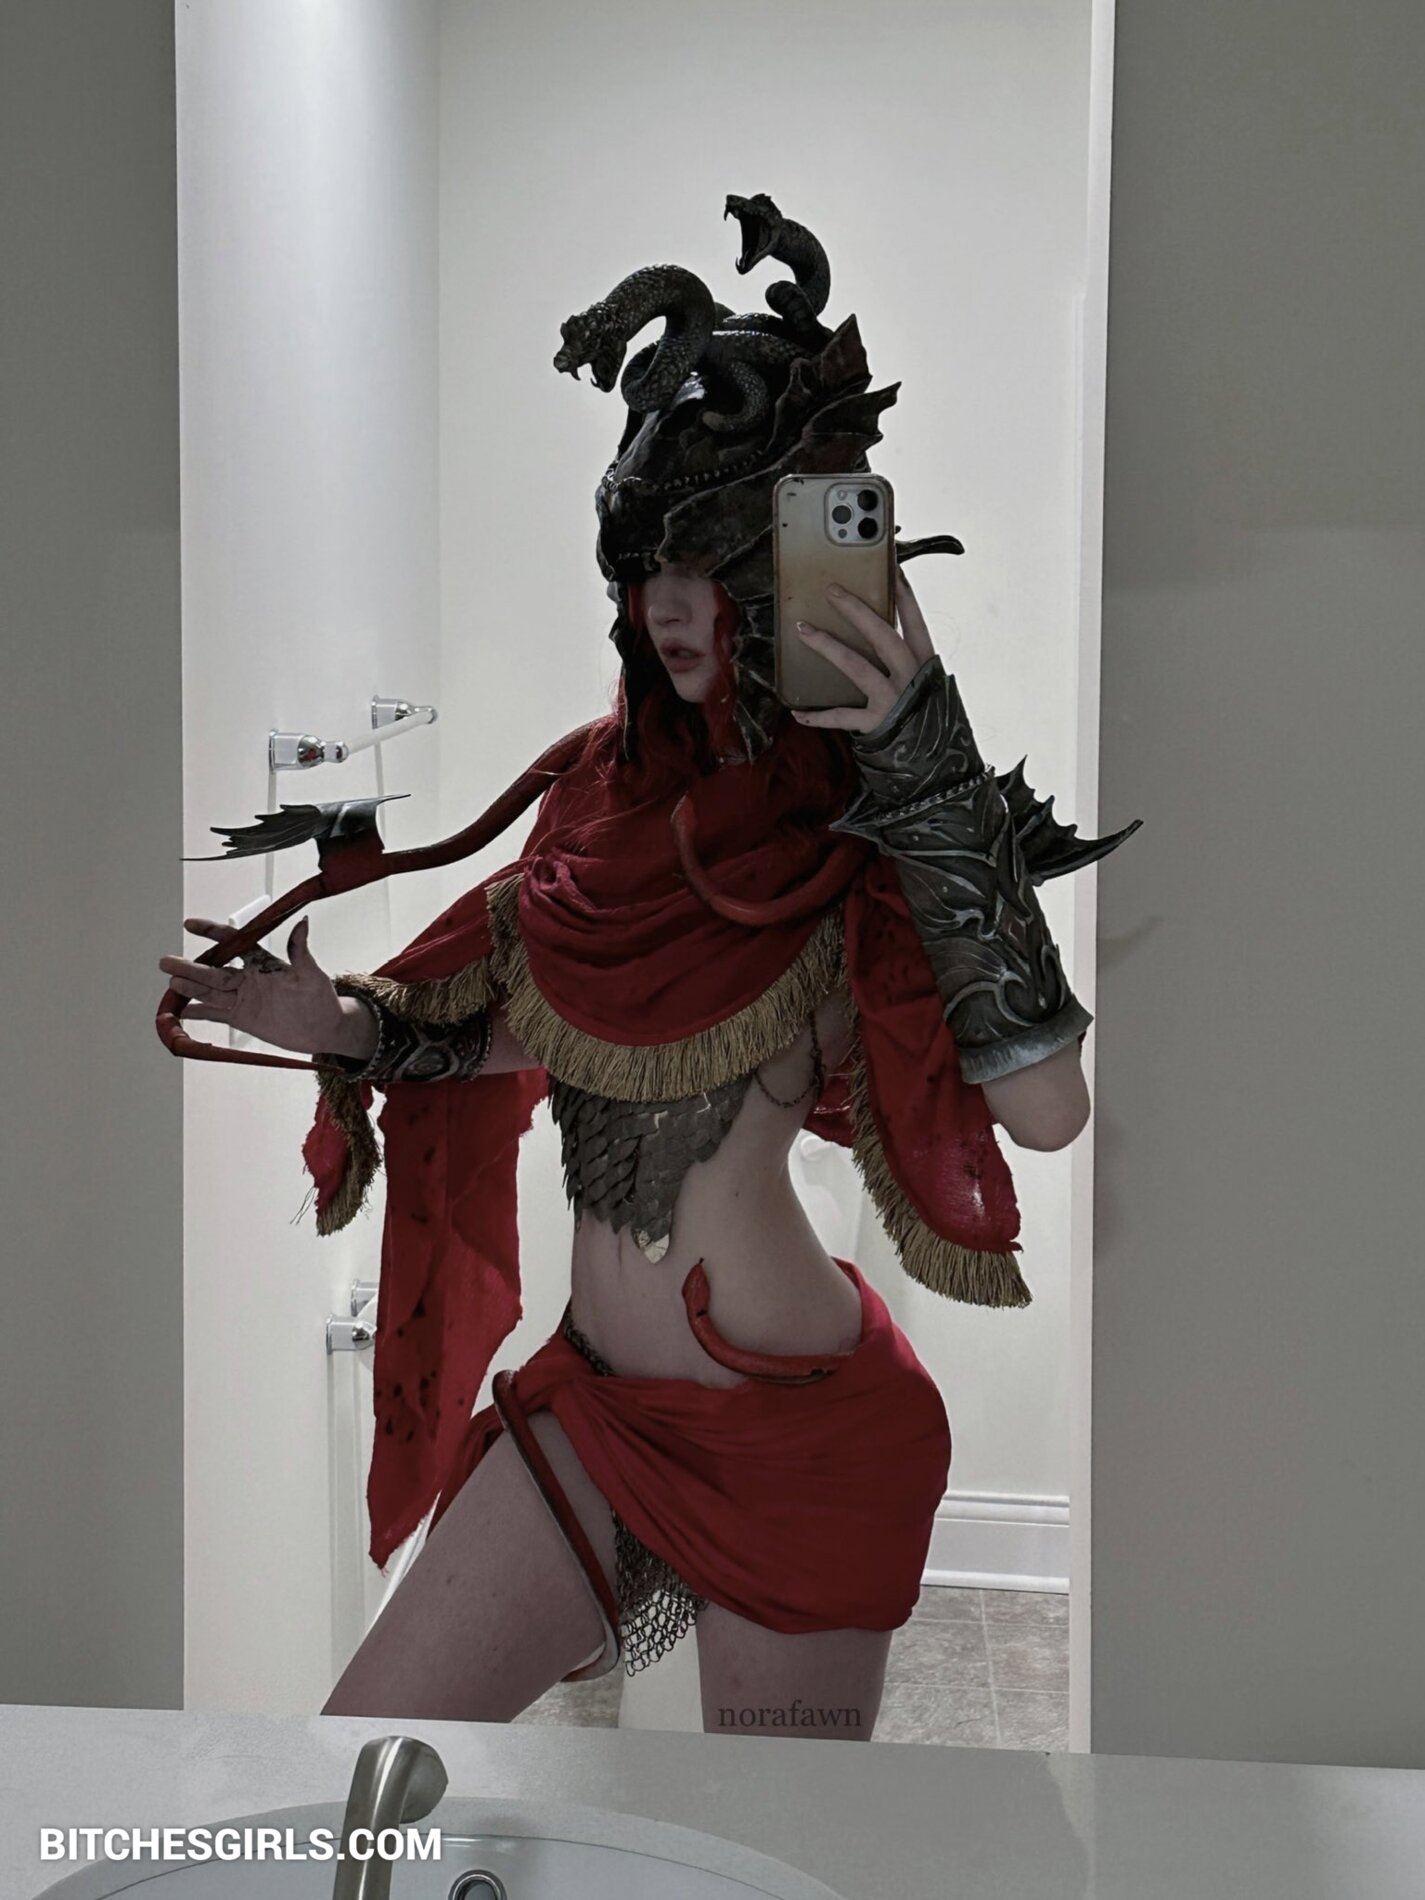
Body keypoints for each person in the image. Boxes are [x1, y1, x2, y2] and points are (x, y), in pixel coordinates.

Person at [159, 193, 1138, 1740]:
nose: (668, 606)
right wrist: (338, 1026)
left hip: (794, 1437)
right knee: (363, 1772)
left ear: (776, 572)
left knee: (770, 1843)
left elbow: (1047, 1111)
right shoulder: (598, 800)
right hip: (593, 1404)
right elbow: (535, 1031)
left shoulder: (865, 825)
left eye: (710, 562)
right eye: (642, 566)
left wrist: (929, 767)